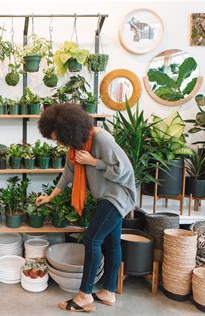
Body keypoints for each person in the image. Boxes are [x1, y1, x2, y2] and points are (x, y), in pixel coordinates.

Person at [36, 104, 136, 312]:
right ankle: (108, 292)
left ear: (69, 130)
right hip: (106, 197)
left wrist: (94, 162)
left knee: (92, 239)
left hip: (118, 196)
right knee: (112, 242)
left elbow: (124, 170)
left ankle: (84, 295)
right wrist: (50, 197)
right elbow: (68, 174)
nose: (58, 142)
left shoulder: (100, 138)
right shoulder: (74, 146)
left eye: (58, 138)